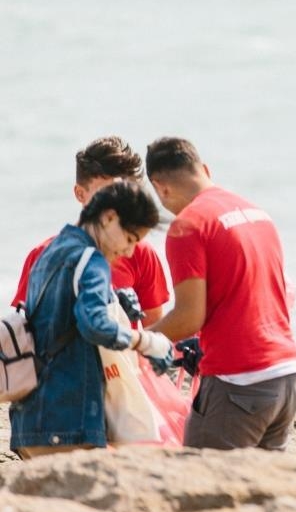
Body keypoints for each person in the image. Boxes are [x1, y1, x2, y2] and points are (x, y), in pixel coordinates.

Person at [144, 137, 296, 450]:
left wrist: (135, 342)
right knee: (262, 490)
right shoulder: (257, 213)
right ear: (204, 169)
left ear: (160, 187)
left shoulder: (187, 226)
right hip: (286, 378)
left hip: (239, 384)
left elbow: (189, 317)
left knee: (203, 489)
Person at [9, 182, 174, 459]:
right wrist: (147, 341)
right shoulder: (92, 261)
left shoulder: (53, 250)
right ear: (109, 217)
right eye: (131, 238)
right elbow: (94, 324)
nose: (130, 252)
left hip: (29, 416)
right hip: (67, 420)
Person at [11, 136, 170, 325]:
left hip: (125, 354)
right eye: (108, 194)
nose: (118, 209)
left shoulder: (140, 253)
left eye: (126, 195)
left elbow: (155, 329)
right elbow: (24, 333)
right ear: (80, 193)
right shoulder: (43, 255)